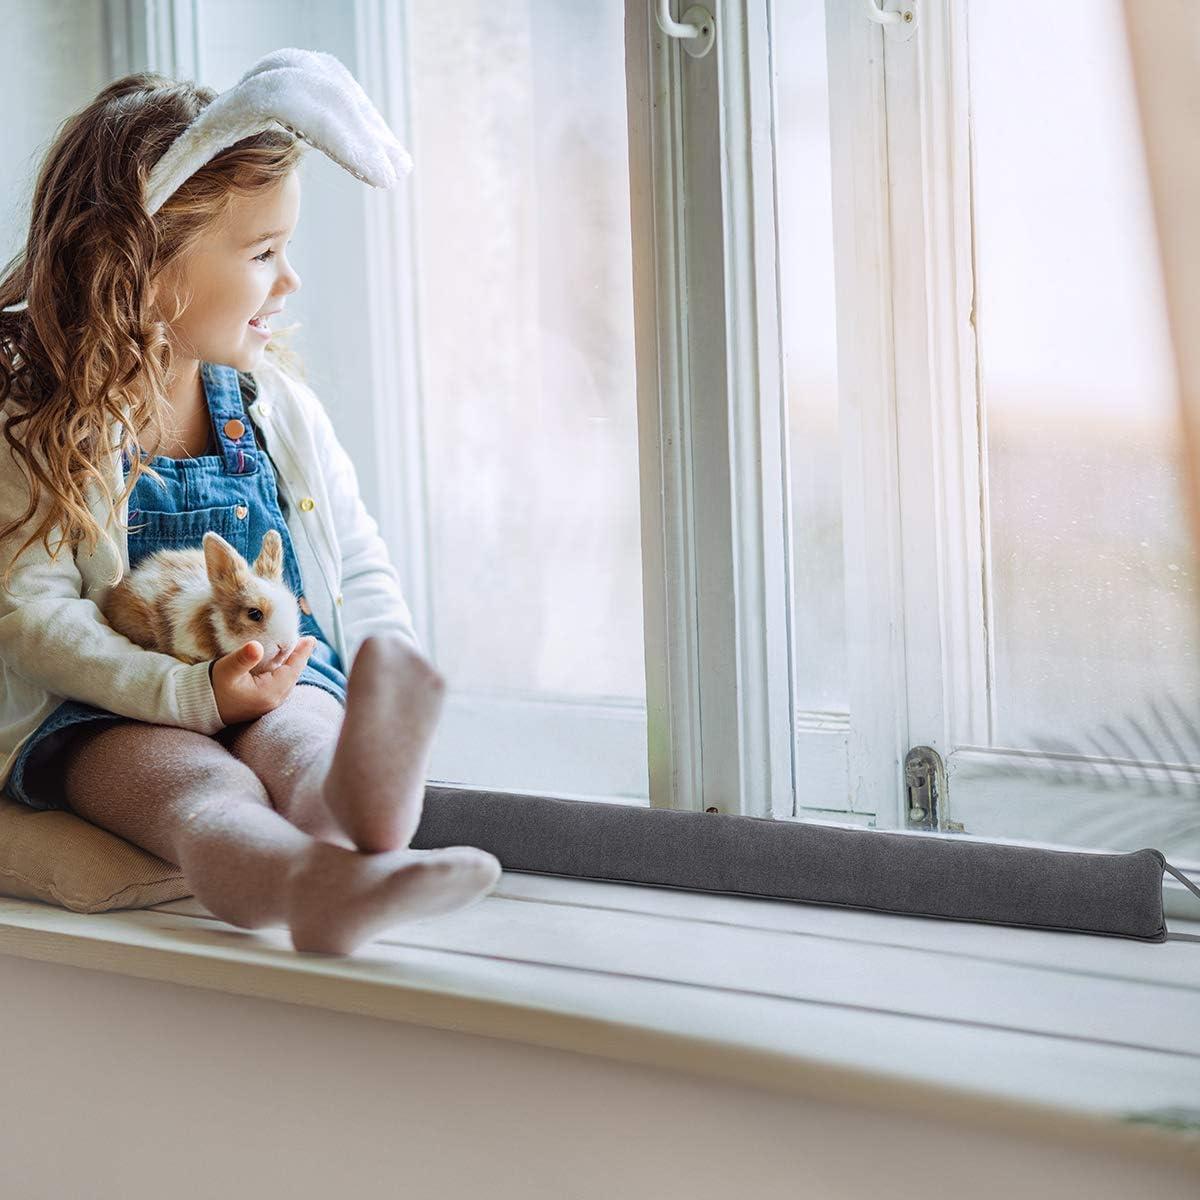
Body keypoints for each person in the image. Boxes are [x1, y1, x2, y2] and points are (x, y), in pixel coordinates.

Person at [0, 63, 501, 955]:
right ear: (140, 266)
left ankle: (365, 800)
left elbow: (355, 556)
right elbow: (29, 618)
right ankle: (307, 888)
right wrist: (186, 694)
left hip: (276, 674)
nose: (289, 282)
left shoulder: (273, 406)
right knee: (193, 789)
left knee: (305, 734)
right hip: (111, 710)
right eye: (264, 253)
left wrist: (385, 658)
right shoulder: (37, 422)